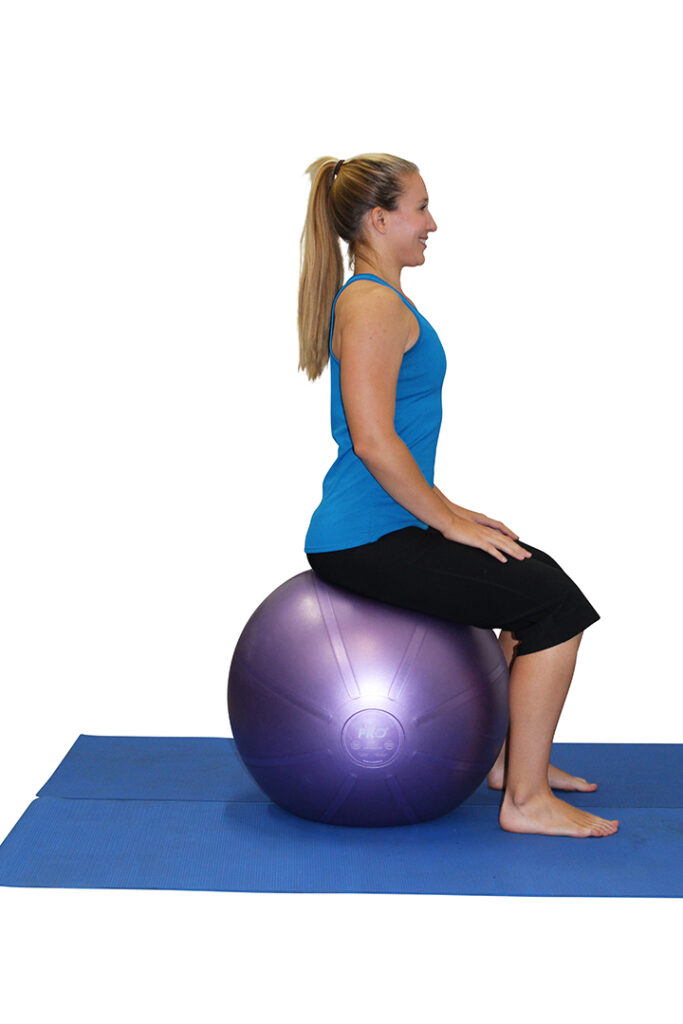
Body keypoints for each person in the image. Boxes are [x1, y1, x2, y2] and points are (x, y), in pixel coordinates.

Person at [297, 153, 618, 839]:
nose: (430, 223)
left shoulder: (375, 300)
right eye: (418, 208)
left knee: (538, 581)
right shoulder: (372, 305)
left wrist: (456, 513)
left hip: (379, 525)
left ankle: (509, 762)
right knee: (554, 606)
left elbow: (393, 443)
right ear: (379, 219)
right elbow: (373, 440)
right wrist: (446, 523)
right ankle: (524, 800)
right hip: (363, 539)